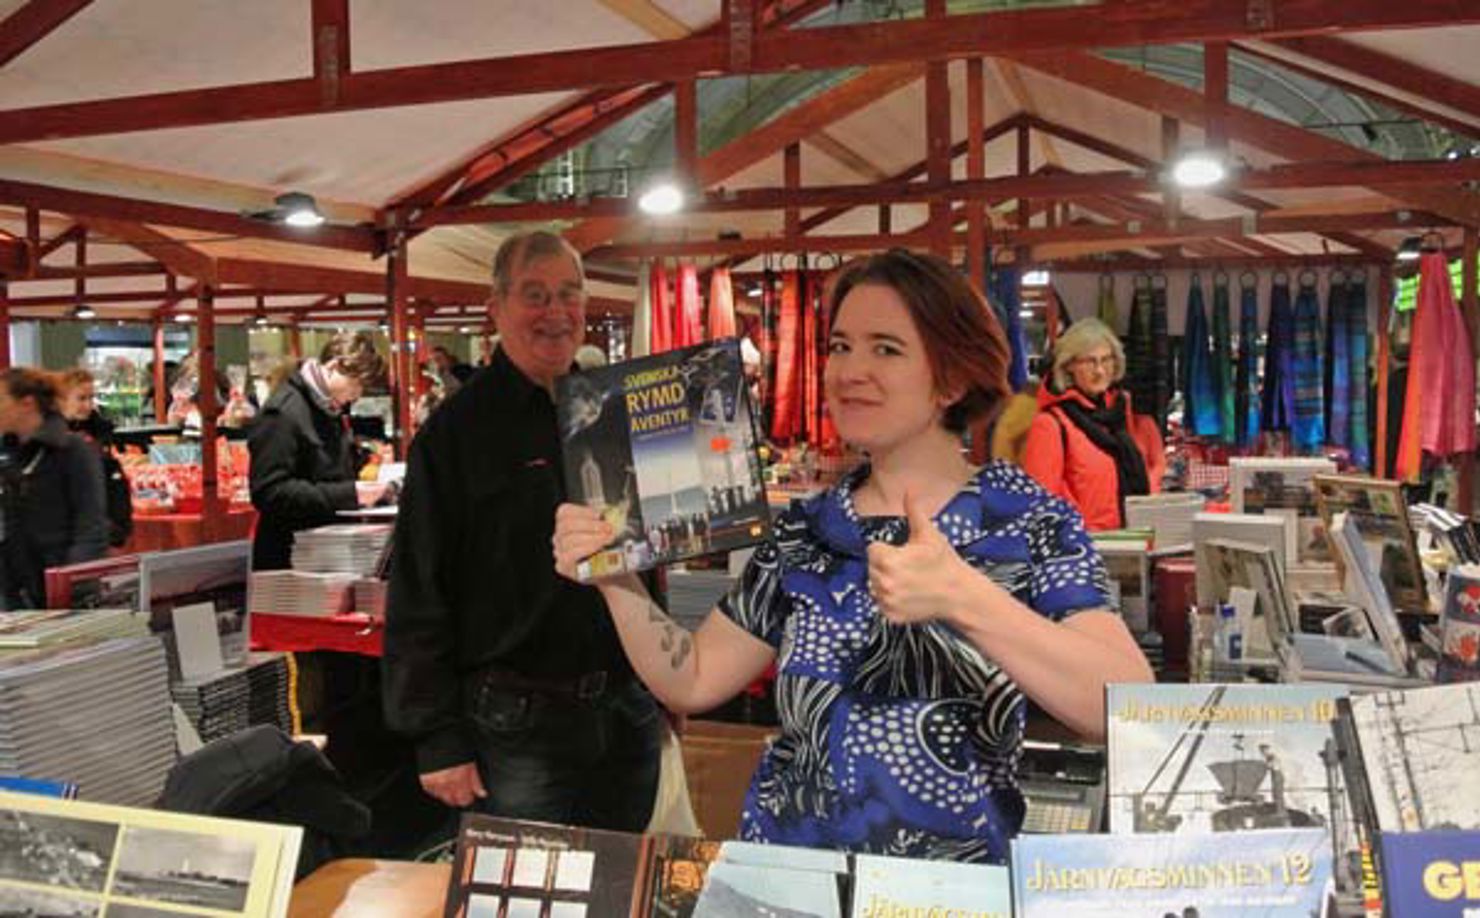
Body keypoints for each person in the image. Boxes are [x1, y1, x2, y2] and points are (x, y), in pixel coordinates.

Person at [553, 249, 1153, 862]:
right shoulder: (808, 530)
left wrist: (964, 598)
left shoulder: (1026, 520)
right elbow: (696, 676)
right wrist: (617, 580)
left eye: (885, 349)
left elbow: (1125, 707)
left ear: (952, 377)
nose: (849, 371)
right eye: (840, 346)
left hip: (949, 893)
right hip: (790, 883)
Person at [382, 230, 662, 831]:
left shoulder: (610, 414)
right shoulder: (455, 434)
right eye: (535, 295)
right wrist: (436, 739)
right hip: (516, 723)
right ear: (496, 308)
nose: (556, 313)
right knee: (528, 896)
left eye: (569, 294)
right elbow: (418, 587)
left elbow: (642, 550)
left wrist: (665, 680)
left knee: (620, 890)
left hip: (624, 708)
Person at [247, 332, 388, 571]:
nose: (358, 393)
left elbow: (327, 468)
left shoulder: (327, 408)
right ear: (333, 366)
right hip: (290, 559)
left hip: (325, 552)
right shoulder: (283, 412)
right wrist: (349, 494)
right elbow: (269, 492)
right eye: (356, 383)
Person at [1021, 317, 1165, 531]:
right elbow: (1040, 506)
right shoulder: (1051, 424)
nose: (1100, 371)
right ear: (1069, 365)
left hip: (1131, 544)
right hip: (1081, 552)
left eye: (1107, 360)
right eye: (1090, 361)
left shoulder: (1120, 417)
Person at [0, 368, 108, 609]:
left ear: (26, 403)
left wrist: (69, 588)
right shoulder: (10, 455)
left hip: (66, 599)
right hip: (17, 597)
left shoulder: (73, 451)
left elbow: (91, 527)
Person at [57, 368, 133, 549]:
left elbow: (113, 485)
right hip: (69, 538)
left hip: (100, 534)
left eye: (91, 398)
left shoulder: (100, 434)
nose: (88, 405)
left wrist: (117, 528)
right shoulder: (50, 439)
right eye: (81, 398)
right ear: (61, 400)